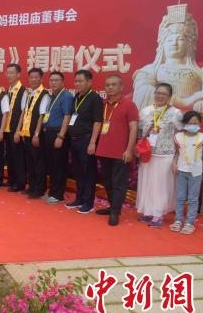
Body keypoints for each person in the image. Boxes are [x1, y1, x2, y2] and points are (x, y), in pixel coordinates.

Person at [135, 83, 182, 227]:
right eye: (158, 93)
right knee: (147, 183)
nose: (159, 96)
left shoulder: (176, 113)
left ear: (169, 96)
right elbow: (139, 132)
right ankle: (148, 211)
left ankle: (158, 214)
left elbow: (180, 135)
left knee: (161, 185)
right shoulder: (146, 111)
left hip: (165, 155)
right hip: (147, 154)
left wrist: (177, 157)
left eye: (164, 94)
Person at [94, 75, 138, 226]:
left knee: (119, 183)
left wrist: (129, 150)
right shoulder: (103, 103)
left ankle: (115, 212)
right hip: (103, 150)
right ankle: (112, 206)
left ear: (122, 87)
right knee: (107, 181)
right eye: (107, 85)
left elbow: (133, 129)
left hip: (121, 152)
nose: (110, 87)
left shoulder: (129, 104)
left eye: (113, 84)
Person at [65, 70, 103, 214]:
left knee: (88, 172)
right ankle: (80, 198)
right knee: (78, 171)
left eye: (81, 81)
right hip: (74, 140)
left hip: (86, 140)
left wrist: (93, 142)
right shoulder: (76, 97)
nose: (78, 84)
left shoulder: (95, 98)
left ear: (89, 82)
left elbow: (97, 122)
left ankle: (89, 202)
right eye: (76, 81)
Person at [171, 111, 203, 234]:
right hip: (181, 171)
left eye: (195, 123)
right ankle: (178, 220)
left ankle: (189, 223)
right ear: (185, 124)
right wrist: (174, 164)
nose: (193, 125)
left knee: (193, 198)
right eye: (190, 123)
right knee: (180, 197)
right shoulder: (179, 137)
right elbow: (177, 153)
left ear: (199, 124)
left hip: (196, 172)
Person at [16, 68, 50, 199]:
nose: (33, 80)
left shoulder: (44, 95)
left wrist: (36, 134)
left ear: (41, 79)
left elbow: (42, 116)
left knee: (38, 163)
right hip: (26, 133)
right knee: (29, 162)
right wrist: (19, 131)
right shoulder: (28, 94)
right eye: (31, 77)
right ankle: (32, 186)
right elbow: (23, 113)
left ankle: (40, 189)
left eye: (36, 77)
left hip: (36, 135)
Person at [41, 71, 74, 204]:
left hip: (58, 134)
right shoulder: (52, 96)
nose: (53, 83)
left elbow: (67, 116)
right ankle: (52, 191)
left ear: (63, 82)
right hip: (48, 133)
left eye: (56, 80)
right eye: (51, 80)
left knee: (59, 165)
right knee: (52, 164)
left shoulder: (66, 96)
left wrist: (61, 135)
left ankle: (58, 194)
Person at [4, 63, 27, 193]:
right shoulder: (9, 90)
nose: (9, 75)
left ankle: (20, 183)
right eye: (8, 72)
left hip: (16, 129)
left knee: (18, 157)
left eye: (12, 73)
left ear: (18, 74)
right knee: (10, 156)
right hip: (7, 128)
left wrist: (18, 131)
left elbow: (24, 113)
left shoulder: (23, 91)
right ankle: (12, 180)